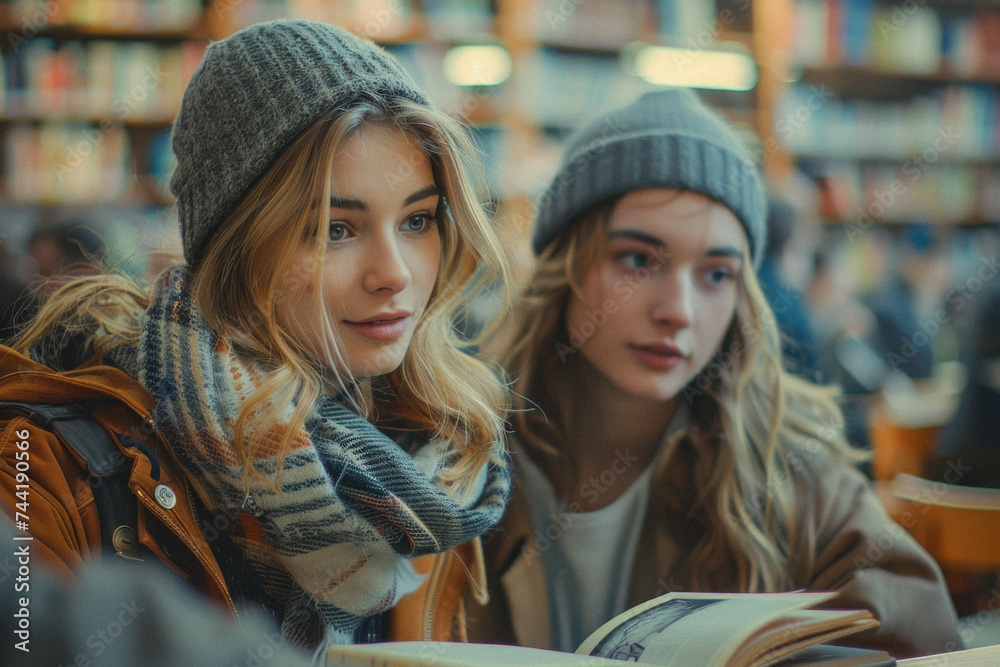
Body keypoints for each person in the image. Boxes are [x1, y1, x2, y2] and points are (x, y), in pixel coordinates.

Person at [9, 19, 512, 650]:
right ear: (236, 244)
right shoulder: (48, 466)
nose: (395, 275)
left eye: (417, 220)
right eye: (335, 229)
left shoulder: (428, 466)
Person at [465, 89, 961, 658]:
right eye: (637, 259)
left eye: (716, 274)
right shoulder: (455, 464)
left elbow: (926, 648)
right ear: (564, 265)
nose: (679, 309)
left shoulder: (792, 474)